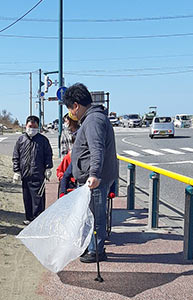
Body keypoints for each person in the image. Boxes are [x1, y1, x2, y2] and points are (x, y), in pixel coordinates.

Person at [63, 83, 118, 263]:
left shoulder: (93, 120)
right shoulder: (91, 119)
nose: (72, 113)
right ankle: (91, 246)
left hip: (94, 180)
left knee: (96, 216)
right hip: (90, 178)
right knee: (90, 215)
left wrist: (94, 173)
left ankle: (96, 250)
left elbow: (97, 149)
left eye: (71, 109)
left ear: (76, 105)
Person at [12, 116, 53, 225]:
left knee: (38, 199)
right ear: (26, 126)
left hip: (38, 175)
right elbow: (16, 156)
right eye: (30, 126)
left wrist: (48, 168)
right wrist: (16, 171)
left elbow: (48, 155)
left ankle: (38, 219)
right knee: (27, 198)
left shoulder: (43, 140)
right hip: (25, 175)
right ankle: (29, 218)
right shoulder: (21, 140)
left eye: (35, 127)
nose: (32, 129)